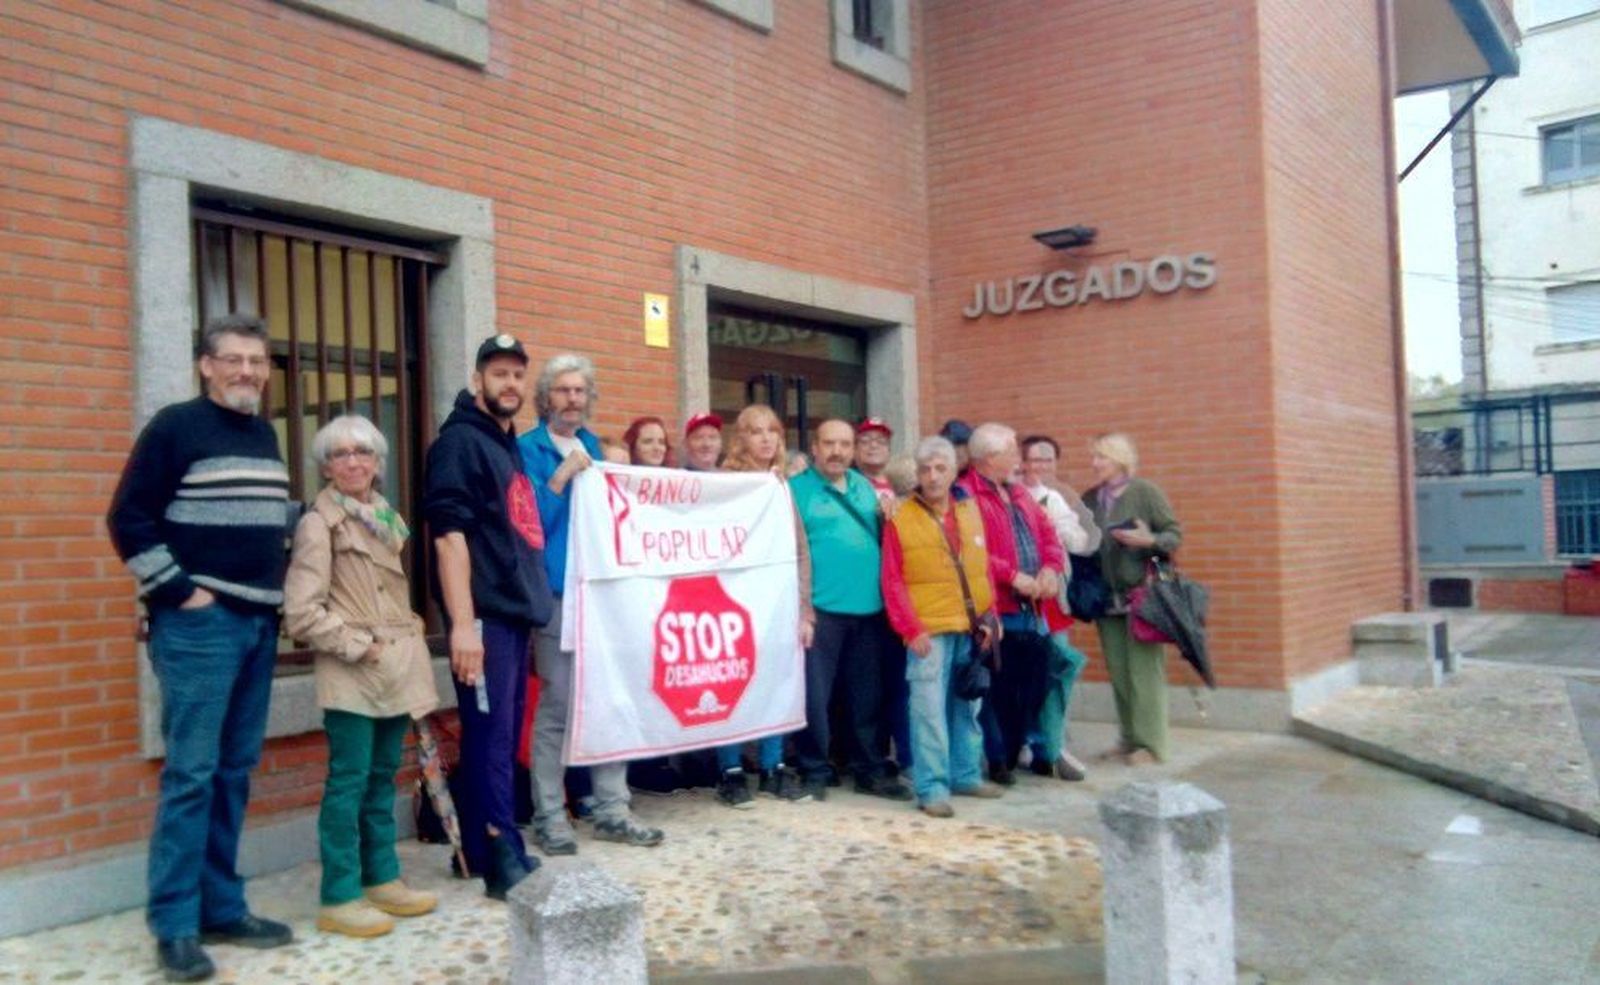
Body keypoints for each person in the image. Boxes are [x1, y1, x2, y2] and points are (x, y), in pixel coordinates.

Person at [107, 313, 294, 982]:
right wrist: (178, 591)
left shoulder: (264, 433)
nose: (247, 370)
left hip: (257, 625)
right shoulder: (175, 427)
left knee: (234, 770)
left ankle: (222, 905)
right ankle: (176, 924)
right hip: (200, 627)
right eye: (233, 359)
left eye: (257, 360)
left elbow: (254, 519)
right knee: (191, 774)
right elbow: (127, 517)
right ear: (205, 366)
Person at [284, 416, 439, 938]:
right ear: (325, 465)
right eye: (340, 454)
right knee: (348, 782)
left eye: (363, 452)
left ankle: (382, 878)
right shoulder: (319, 523)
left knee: (382, 778)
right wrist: (360, 646)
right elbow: (300, 612)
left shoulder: (386, 518)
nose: (353, 462)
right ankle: (340, 893)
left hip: (396, 664)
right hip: (354, 667)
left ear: (377, 462)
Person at [423, 332, 552, 900]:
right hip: (484, 621)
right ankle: (501, 854)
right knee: (491, 738)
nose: (510, 384)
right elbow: (449, 539)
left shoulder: (506, 443)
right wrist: (462, 625)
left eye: (518, 375)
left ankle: (481, 849)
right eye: (498, 374)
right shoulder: (458, 444)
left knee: (498, 735)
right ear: (477, 380)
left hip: (513, 615)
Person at [519, 354, 665, 854]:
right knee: (558, 704)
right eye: (562, 391)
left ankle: (611, 808)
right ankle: (549, 814)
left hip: (602, 593)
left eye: (580, 391)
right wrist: (560, 477)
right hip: (556, 593)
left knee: (611, 696)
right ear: (545, 398)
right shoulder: (527, 450)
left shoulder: (595, 448)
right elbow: (527, 523)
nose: (572, 399)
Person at [788, 419, 913, 802]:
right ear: (814, 446)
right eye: (829, 443)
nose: (837, 451)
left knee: (866, 697)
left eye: (845, 444)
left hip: (870, 609)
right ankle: (814, 769)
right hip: (821, 609)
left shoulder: (865, 488)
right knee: (816, 698)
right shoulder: (794, 490)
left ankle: (869, 769)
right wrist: (801, 607)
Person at [881, 437, 1005, 818]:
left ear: (954, 471)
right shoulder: (900, 517)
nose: (932, 477)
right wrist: (910, 628)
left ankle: (965, 773)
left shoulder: (970, 509)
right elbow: (892, 579)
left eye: (940, 468)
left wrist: (992, 615)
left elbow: (981, 567)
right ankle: (932, 787)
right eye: (925, 469)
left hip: (971, 625)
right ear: (916, 474)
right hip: (928, 630)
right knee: (928, 711)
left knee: (967, 706)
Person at [710, 405, 816, 807]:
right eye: (756, 432)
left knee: (774, 681)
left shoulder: (781, 484)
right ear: (742, 439)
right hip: (733, 600)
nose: (767, 439)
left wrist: (804, 607)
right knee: (731, 682)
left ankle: (773, 768)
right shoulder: (725, 482)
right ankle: (731, 770)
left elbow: (799, 550)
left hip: (777, 602)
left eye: (773, 431)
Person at [956, 423, 1065, 786]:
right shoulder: (965, 494)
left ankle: (1019, 744)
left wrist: (1050, 568)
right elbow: (970, 550)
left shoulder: (1018, 493)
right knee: (995, 687)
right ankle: (998, 756)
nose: (1019, 458)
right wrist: (1012, 575)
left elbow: (1048, 534)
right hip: (996, 607)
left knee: (1035, 680)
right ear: (990, 458)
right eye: (1012, 451)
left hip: (1031, 608)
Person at [1085, 432, 1182, 765]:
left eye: (1102, 457)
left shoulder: (1145, 492)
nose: (1095, 463)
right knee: (1119, 671)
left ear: (1120, 460)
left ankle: (1152, 745)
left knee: (1144, 671)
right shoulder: (1091, 499)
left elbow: (1173, 534)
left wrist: (1148, 540)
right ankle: (1129, 739)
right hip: (1106, 600)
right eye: (1094, 457)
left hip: (1142, 596)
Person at [1019, 435, 1100, 782]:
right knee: (1023, 678)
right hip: (1018, 599)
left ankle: (1051, 747)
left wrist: (1059, 521)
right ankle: (1026, 742)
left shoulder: (1059, 496)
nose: (1039, 467)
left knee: (1058, 670)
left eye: (1046, 460)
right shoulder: (1011, 494)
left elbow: (1085, 542)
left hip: (1052, 599)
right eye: (1033, 460)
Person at [854, 417, 897, 510]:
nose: (874, 445)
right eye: (865, 441)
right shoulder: (848, 483)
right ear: (855, 450)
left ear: (889, 450)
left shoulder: (900, 485)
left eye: (881, 441)